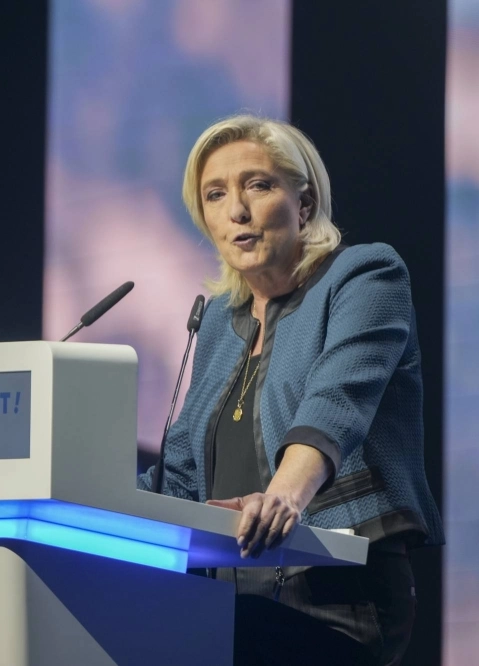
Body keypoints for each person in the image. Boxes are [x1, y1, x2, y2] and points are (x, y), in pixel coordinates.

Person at [137, 114, 444, 666]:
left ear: (303, 204)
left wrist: (285, 494)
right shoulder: (217, 324)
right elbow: (180, 471)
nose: (236, 210)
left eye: (258, 185)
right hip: (231, 600)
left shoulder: (365, 276)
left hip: (338, 595)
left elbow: (337, 401)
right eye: (215, 195)